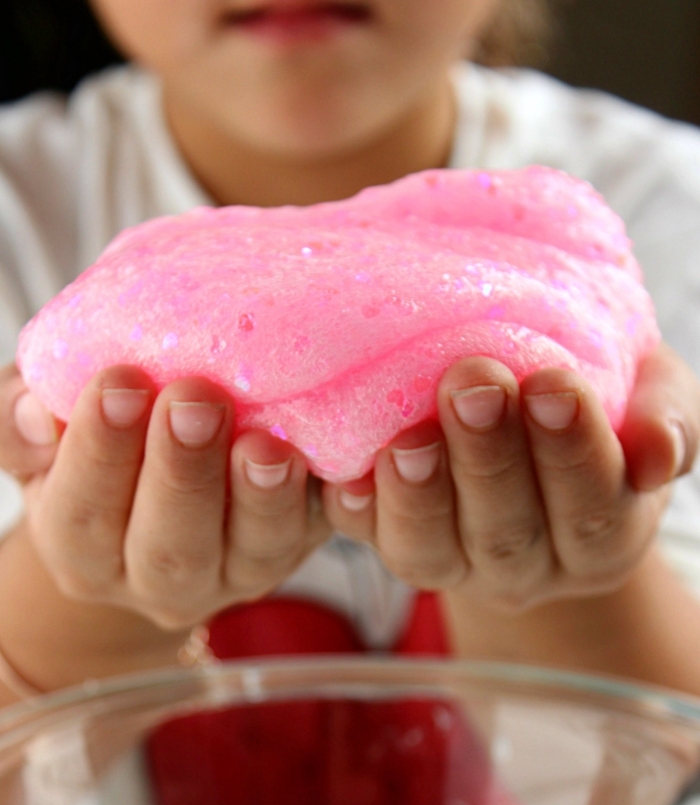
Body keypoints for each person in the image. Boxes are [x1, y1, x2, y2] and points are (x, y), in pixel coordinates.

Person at [0, 0, 700, 708]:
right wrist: (88, 596)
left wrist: (571, 567)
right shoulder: (17, 212)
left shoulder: (662, 209)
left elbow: (652, 800)